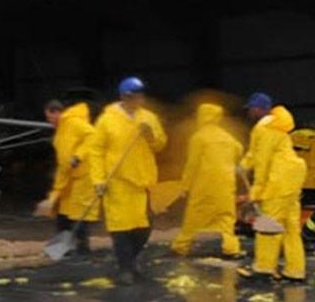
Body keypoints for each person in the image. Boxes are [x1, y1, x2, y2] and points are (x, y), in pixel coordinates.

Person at [88, 76, 167, 285]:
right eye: (135, 97)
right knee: (121, 227)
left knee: (144, 225)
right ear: (124, 97)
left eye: (141, 96)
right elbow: (95, 151)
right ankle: (125, 268)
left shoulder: (149, 117)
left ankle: (131, 259)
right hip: (117, 181)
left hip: (143, 181)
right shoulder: (107, 120)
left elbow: (160, 144)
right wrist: (98, 179)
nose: (140, 101)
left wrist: (150, 135)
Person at [239, 92, 306, 281]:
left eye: (251, 109)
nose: (249, 113)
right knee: (290, 226)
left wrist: (256, 192)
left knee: (268, 224)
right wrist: (243, 164)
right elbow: (255, 153)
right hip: (291, 180)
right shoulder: (274, 126)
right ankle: (295, 270)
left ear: (259, 109)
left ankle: (263, 269)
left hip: (278, 181)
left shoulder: (265, 129)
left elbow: (263, 163)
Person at [171, 103, 244, 258]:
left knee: (194, 216)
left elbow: (192, 164)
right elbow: (239, 150)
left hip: (204, 185)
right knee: (226, 217)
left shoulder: (199, 137)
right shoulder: (227, 137)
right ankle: (232, 248)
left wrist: (185, 186)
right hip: (225, 184)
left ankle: (181, 246)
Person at [40, 99, 99, 255]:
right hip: (70, 176)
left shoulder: (73, 123)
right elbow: (63, 162)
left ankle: (82, 249)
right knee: (62, 213)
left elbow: (93, 136)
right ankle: (64, 249)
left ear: (56, 112)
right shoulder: (61, 130)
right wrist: (55, 192)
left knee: (79, 215)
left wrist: (78, 156)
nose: (49, 121)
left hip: (83, 176)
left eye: (49, 117)